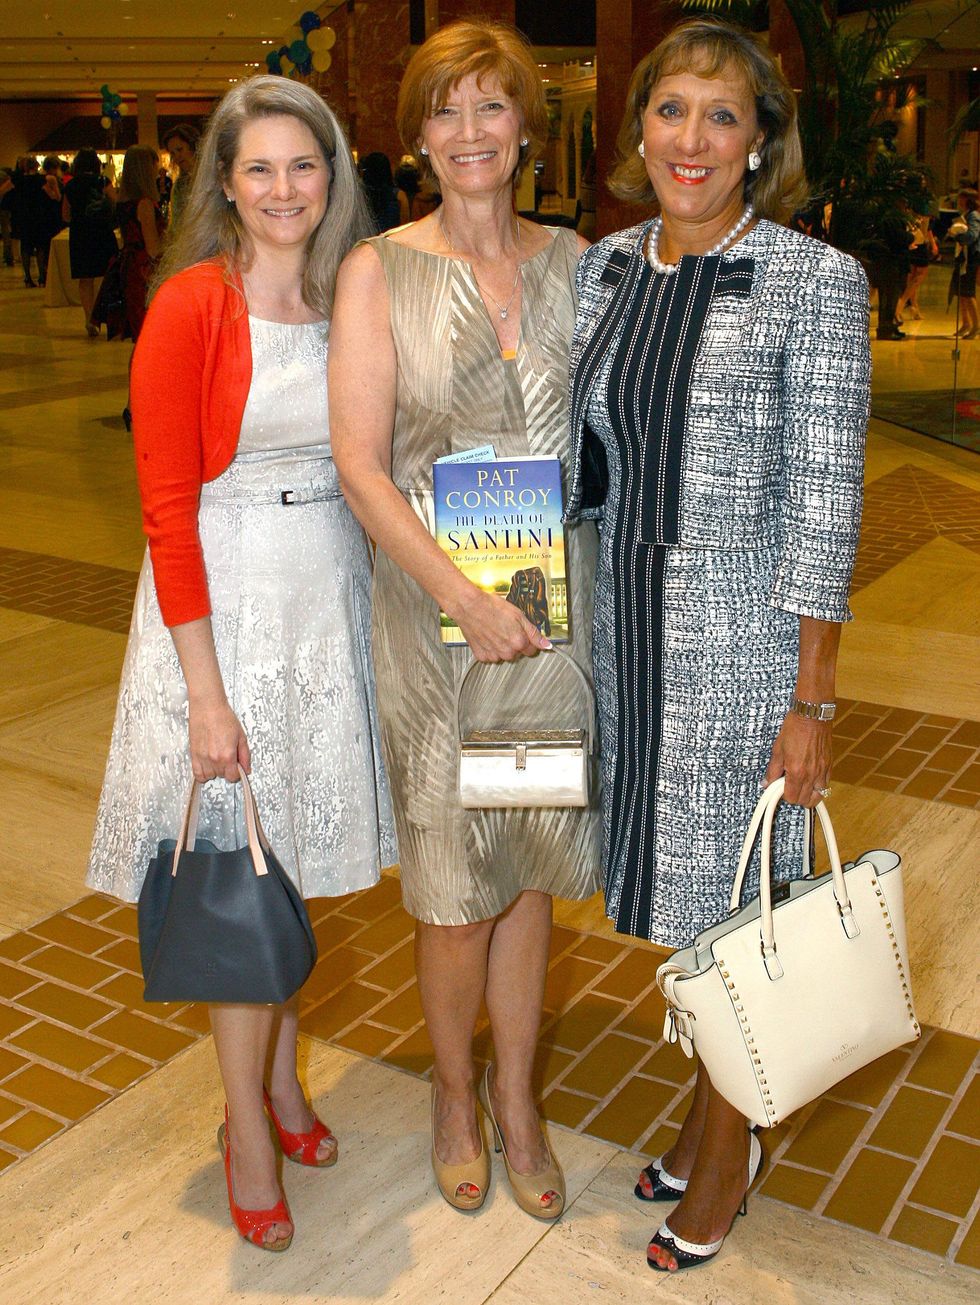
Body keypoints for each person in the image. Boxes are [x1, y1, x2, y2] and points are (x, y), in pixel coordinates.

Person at [566, 18, 868, 1273]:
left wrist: (811, 700)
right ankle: (706, 1125)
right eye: (670, 111)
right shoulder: (605, 268)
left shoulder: (814, 280)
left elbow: (824, 499)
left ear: (761, 141)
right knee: (677, 914)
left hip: (737, 648)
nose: (691, 140)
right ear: (636, 129)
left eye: (721, 116)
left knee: (737, 918)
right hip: (624, 643)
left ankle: (727, 1159)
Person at [86, 75, 395, 1254]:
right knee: (234, 875)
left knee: (294, 862)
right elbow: (166, 509)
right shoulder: (188, 305)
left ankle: (277, 1083)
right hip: (222, 609)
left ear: (333, 177)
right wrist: (204, 695)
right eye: (257, 168)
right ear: (224, 182)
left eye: (302, 166)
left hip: (325, 592)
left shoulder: (348, 293)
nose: (281, 189)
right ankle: (246, 1127)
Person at [330, 19, 601, 1221]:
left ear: (527, 125)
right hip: (437, 629)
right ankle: (452, 1093)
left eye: (492, 107)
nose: (469, 132)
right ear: (417, 134)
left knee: (529, 866)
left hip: (546, 622)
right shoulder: (376, 268)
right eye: (445, 110)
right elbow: (360, 465)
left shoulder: (578, 261)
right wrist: (460, 600)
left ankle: (521, 1100)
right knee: (454, 883)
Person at [94, 144, 164, 341]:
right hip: (144, 272)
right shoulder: (145, 204)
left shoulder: (124, 203)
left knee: (139, 332)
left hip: (129, 268)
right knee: (149, 331)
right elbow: (153, 248)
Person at [62, 149, 118, 337]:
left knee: (85, 279)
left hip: (80, 235)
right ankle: (110, 317)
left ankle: (88, 318)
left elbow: (65, 215)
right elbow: (115, 202)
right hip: (101, 232)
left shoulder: (70, 186)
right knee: (108, 276)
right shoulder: (102, 182)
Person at [949, 189, 980, 339]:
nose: (959, 202)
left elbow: (973, 235)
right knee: (961, 292)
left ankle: (975, 326)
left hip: (970, 258)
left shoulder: (973, 215)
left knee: (968, 292)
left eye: (961, 199)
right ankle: (966, 323)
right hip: (962, 257)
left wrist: (958, 235)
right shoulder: (966, 214)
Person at [162, 122, 200, 233]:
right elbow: (177, 225)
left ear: (194, 146)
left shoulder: (214, 176)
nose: (177, 157)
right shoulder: (179, 186)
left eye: (180, 150)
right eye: (173, 153)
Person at [902, 210, 937, 321]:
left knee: (912, 278)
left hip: (912, 245)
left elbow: (928, 230)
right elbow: (927, 230)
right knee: (917, 278)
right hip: (919, 246)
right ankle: (902, 303)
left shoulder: (909, 214)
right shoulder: (922, 214)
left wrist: (933, 243)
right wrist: (933, 243)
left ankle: (914, 307)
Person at [359, 150, 403, 232]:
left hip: (365, 240)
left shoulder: (359, 195)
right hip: (391, 240)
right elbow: (405, 222)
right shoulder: (398, 195)